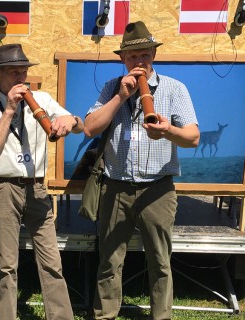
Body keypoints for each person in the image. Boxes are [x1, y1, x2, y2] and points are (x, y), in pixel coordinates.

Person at [84, 22, 200, 320]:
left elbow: (193, 138)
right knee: (109, 259)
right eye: (132, 57)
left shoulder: (175, 89)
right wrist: (121, 97)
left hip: (157, 189)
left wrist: (168, 130)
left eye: (144, 56)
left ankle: (161, 317)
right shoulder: (112, 87)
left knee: (160, 261)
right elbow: (89, 128)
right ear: (123, 60)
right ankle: (104, 315)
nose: (139, 63)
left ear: (153, 56)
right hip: (115, 187)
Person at [0, 43, 84, 320]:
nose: (20, 78)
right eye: (13, 72)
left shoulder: (43, 100)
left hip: (36, 186)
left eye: (23, 71)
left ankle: (61, 317)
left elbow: (76, 122)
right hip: (2, 186)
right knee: (7, 264)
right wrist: (9, 110)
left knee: (51, 259)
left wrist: (68, 121)